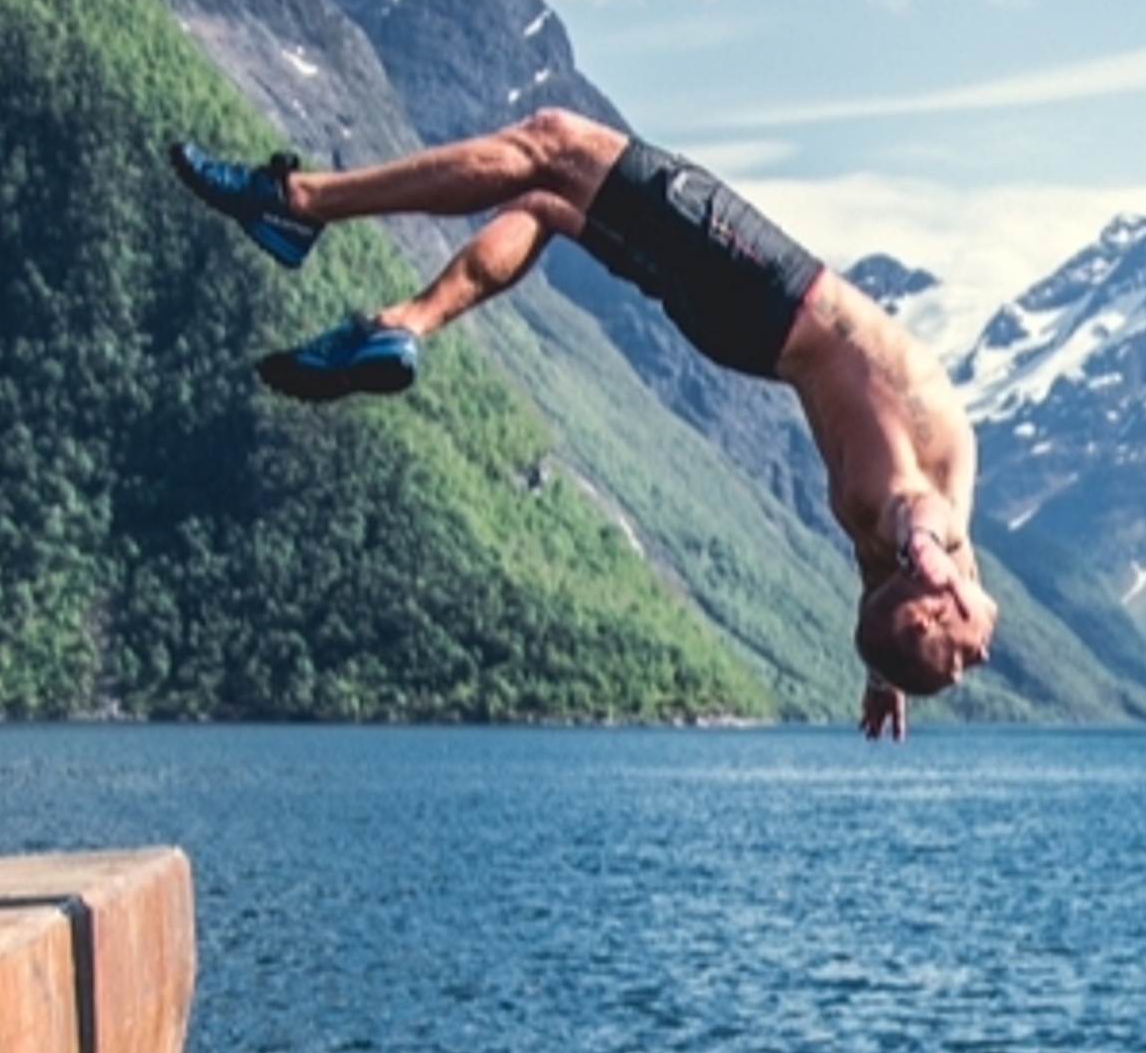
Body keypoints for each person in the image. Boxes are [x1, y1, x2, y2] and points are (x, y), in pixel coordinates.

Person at [171, 114, 995, 737]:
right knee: (547, 203)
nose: (978, 658)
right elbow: (887, 549)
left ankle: (297, 202)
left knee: (551, 142)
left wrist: (926, 572)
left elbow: (909, 516)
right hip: (751, 329)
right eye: (959, 662)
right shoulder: (905, 543)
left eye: (953, 661)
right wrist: (887, 670)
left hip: (771, 296)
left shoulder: (923, 526)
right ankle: (405, 323)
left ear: (926, 600)